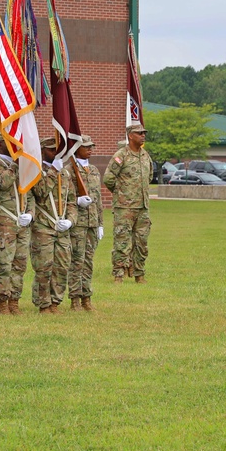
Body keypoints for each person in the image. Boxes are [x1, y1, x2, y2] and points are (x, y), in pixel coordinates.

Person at [0, 136, 34, 315]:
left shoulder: (23, 166)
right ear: (0, 145)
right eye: (12, 144)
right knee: (4, 265)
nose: (17, 147)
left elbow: (29, 194)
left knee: (20, 265)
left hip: (22, 224)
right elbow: (2, 183)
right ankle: (2, 302)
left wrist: (30, 214)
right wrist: (15, 164)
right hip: (3, 224)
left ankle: (14, 301)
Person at [30, 137, 77, 313]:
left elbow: (71, 201)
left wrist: (70, 220)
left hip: (62, 228)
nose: (54, 153)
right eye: (51, 150)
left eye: (57, 150)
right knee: (44, 267)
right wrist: (52, 171)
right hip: (43, 227)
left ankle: (55, 302)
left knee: (62, 267)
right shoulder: (35, 170)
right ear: (42, 150)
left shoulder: (65, 174)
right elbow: (41, 192)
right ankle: (43, 304)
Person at [104, 122, 153, 283]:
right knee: (122, 241)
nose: (143, 135)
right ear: (130, 135)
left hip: (142, 207)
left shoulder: (145, 155)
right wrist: (122, 194)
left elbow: (149, 177)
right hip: (124, 207)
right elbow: (109, 178)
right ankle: (119, 274)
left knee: (141, 242)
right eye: (139, 133)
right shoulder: (121, 155)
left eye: (144, 133)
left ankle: (139, 273)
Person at [69, 135, 104, 311]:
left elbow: (98, 200)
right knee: (77, 261)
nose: (90, 149)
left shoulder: (94, 170)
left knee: (89, 261)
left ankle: (86, 297)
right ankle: (75, 298)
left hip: (92, 223)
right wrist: (77, 200)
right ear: (76, 149)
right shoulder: (69, 170)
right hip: (78, 223)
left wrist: (100, 224)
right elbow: (65, 197)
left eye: (91, 146)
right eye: (86, 147)